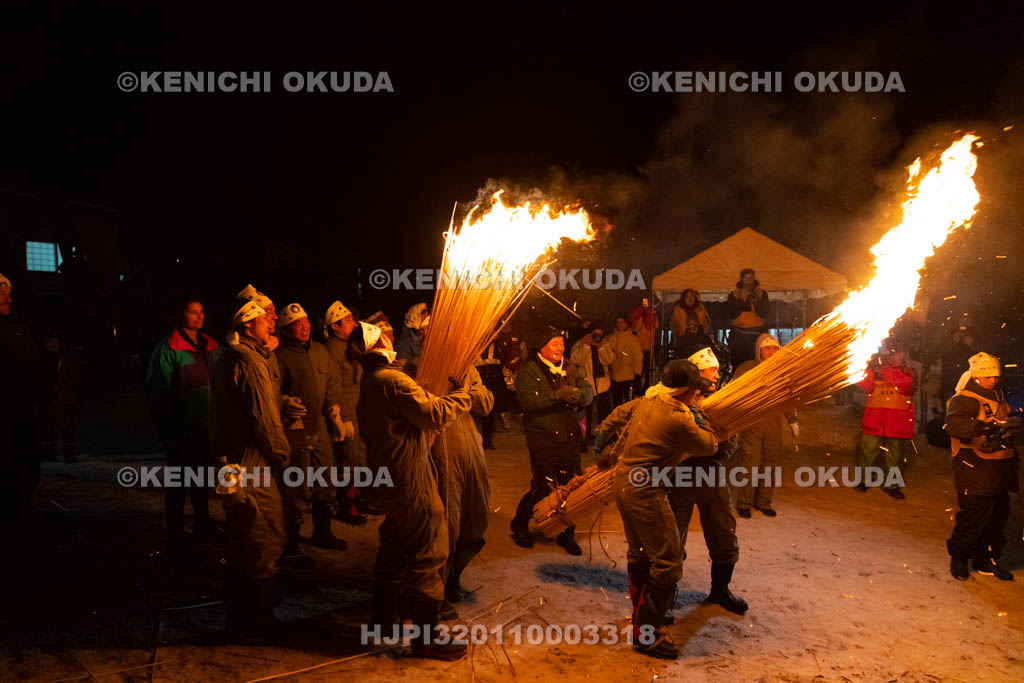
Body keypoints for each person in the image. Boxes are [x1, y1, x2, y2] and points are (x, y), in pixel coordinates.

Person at [350, 321, 472, 660]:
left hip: (385, 478)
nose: (391, 335)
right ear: (378, 343)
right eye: (385, 332)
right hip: (408, 478)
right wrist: (463, 394)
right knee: (430, 550)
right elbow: (434, 414)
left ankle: (384, 624)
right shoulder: (392, 381)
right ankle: (426, 639)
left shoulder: (372, 379)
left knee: (394, 545)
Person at [612, 359, 719, 659]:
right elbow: (709, 444)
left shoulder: (650, 398)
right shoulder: (678, 416)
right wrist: (698, 414)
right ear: (684, 392)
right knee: (669, 561)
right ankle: (648, 636)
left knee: (640, 553)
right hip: (645, 489)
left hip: (624, 483)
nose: (696, 396)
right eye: (694, 392)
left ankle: (640, 621)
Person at [210, 299, 291, 636]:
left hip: (230, 460)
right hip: (253, 460)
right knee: (264, 538)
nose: (272, 321)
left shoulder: (226, 356)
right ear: (247, 325)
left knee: (239, 539)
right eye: (264, 318)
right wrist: (282, 457)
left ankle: (237, 617)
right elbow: (263, 418)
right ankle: (259, 623)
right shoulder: (249, 360)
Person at [274, 303, 353, 566]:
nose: (305, 327)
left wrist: (336, 415)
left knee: (325, 474)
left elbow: (331, 385)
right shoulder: (278, 355)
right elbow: (270, 391)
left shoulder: (320, 351)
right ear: (284, 329)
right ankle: (292, 544)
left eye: (306, 321)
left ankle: (322, 532)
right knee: (295, 482)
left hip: (318, 422)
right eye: (297, 323)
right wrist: (283, 400)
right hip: (294, 426)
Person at [145, 297, 220, 558]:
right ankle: (175, 535)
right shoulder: (168, 349)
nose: (199, 317)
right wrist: (169, 432)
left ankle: (203, 524)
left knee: (200, 481)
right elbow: (158, 395)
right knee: (178, 484)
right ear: (181, 315)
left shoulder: (211, 346)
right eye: (192, 312)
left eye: (201, 311)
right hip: (180, 431)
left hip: (205, 429)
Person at [510, 326, 594, 555]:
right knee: (543, 487)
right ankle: (520, 523)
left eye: (562, 343)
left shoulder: (569, 368)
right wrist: (557, 395)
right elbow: (526, 401)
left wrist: (581, 395)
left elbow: (589, 390)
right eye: (555, 343)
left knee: (572, 488)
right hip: (543, 439)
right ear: (541, 347)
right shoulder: (529, 370)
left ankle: (567, 534)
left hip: (568, 438)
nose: (560, 348)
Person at [945, 352, 1020, 581]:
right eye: (987, 376)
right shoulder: (965, 398)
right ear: (976, 376)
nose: (992, 380)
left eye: (995, 376)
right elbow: (953, 423)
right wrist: (978, 428)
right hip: (975, 471)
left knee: (998, 520)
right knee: (974, 519)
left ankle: (986, 559)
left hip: (999, 470)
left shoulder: (997, 395)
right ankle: (959, 559)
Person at [429, 365, 494, 610]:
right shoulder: (425, 362)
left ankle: (455, 573)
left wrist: (467, 391)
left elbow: (486, 405)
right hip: (445, 443)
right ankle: (439, 588)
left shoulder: (469, 369)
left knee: (477, 516)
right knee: (449, 520)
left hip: (471, 443)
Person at [732, 333, 797, 518]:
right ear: (759, 350)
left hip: (773, 423)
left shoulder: (782, 371)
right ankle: (744, 503)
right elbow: (733, 392)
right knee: (749, 464)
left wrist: (792, 419)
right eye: (767, 348)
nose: (772, 351)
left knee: (769, 464)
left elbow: (788, 397)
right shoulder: (747, 369)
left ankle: (763, 502)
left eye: (775, 348)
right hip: (752, 422)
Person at [0, 273, 44, 528]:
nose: (8, 296)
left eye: (9, 290)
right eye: (2, 291)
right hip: (5, 413)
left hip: (25, 412)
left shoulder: (19, 327)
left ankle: (21, 507)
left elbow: (34, 366)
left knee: (27, 463)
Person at [323, 300, 371, 525]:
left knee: (359, 457)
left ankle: (356, 497)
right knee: (347, 461)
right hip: (346, 411)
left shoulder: (348, 347)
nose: (353, 323)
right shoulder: (332, 350)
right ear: (335, 326)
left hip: (357, 409)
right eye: (348, 320)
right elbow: (334, 386)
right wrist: (339, 418)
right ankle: (346, 505)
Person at [856, 345, 918, 498]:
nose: (890, 357)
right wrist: (864, 370)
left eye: (894, 353)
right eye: (888, 353)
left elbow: (907, 386)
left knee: (895, 454)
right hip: (875, 418)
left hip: (897, 420)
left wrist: (883, 371)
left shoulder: (907, 370)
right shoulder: (873, 369)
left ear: (902, 353)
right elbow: (865, 386)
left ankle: (892, 485)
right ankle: (864, 480)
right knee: (867, 451)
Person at [40, 332, 82, 463]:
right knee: (47, 427)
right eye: (51, 343)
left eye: (56, 343)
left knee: (67, 426)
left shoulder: (66, 359)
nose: (54, 345)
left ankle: (69, 454)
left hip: (65, 398)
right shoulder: (41, 360)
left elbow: (74, 377)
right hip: (47, 398)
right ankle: (48, 454)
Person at [569, 322, 613, 436]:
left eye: (599, 335)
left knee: (605, 414)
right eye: (595, 334)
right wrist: (586, 346)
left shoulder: (605, 344)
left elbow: (608, 360)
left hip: (603, 385)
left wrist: (601, 347)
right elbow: (578, 360)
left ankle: (604, 437)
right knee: (586, 415)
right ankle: (585, 438)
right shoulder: (580, 344)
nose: (597, 337)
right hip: (587, 385)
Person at [726, 269, 769, 367]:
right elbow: (731, 314)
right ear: (742, 280)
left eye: (751, 278)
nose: (749, 281)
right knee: (739, 364)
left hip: (756, 335)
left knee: (757, 364)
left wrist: (757, 301)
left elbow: (765, 313)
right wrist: (741, 299)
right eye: (746, 278)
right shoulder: (734, 294)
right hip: (739, 337)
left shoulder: (761, 293)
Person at [607, 315, 643, 408]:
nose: (620, 324)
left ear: (626, 323)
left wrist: (637, 374)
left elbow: (638, 357)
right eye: (618, 322)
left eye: (622, 322)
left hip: (628, 376)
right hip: (614, 376)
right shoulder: (611, 338)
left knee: (628, 402)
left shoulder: (632, 339)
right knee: (616, 402)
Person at [671, 288, 712, 359]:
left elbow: (707, 323)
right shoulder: (678, 310)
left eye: (692, 296)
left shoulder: (701, 309)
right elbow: (673, 326)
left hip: (698, 342)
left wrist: (703, 335)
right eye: (687, 297)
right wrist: (677, 337)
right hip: (684, 343)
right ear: (684, 298)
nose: (690, 299)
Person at [628, 298, 657, 393]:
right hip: (639, 348)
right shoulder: (638, 317)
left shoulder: (651, 317)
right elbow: (634, 329)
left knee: (643, 371)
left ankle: (642, 389)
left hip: (646, 348)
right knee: (638, 372)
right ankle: (639, 389)